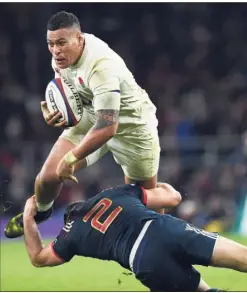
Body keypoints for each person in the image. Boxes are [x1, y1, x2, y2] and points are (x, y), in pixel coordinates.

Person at [20, 183, 247, 292]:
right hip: (163, 229)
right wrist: (151, 185)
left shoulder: (70, 235)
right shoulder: (116, 194)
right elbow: (173, 197)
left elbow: (38, 258)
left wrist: (27, 217)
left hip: (144, 262)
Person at [5, 10, 161, 238]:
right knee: (47, 178)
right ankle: (41, 213)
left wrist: (71, 158)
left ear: (79, 38)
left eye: (61, 43)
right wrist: (54, 110)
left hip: (133, 127)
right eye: (50, 44)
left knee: (146, 203)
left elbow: (108, 126)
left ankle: (164, 240)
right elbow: (66, 90)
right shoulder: (59, 58)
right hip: (91, 116)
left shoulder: (101, 66)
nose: (56, 50)